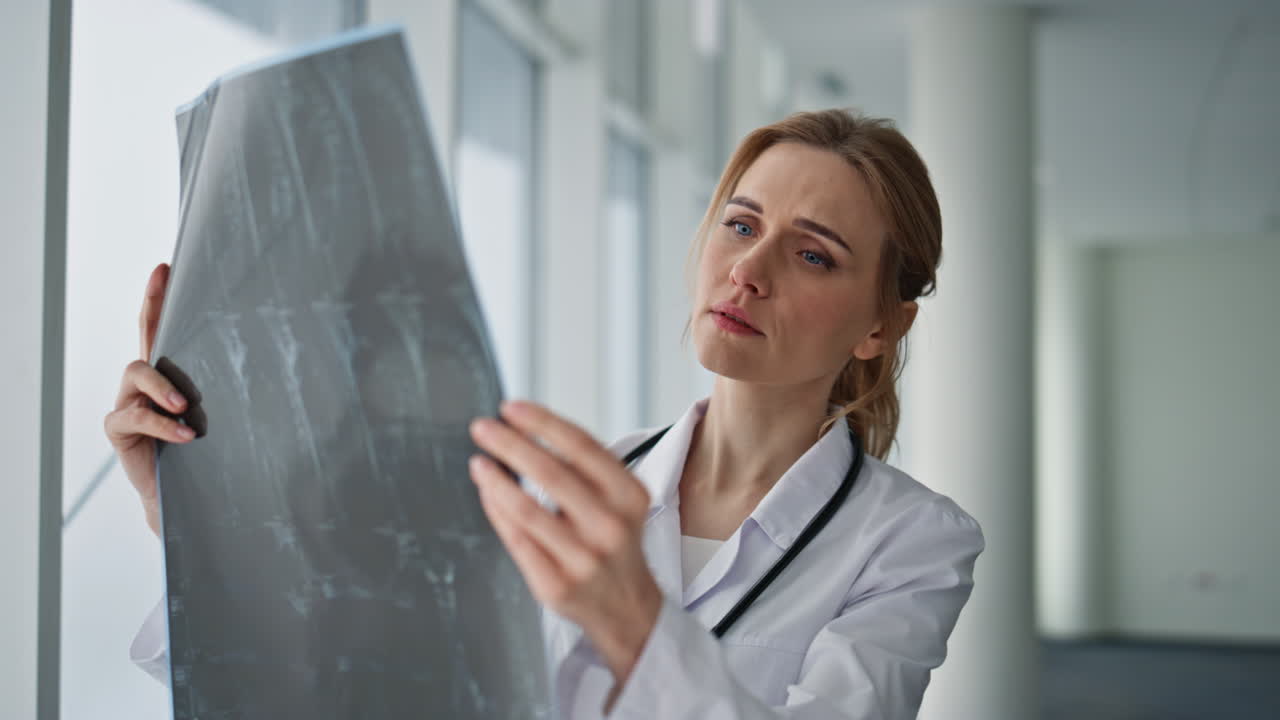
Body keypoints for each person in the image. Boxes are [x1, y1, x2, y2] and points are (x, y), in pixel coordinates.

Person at [108, 109, 984, 719]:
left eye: (814, 256)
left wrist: (634, 624)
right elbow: (357, 681)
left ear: (882, 324)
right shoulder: (574, 481)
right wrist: (189, 512)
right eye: (740, 225)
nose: (748, 272)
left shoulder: (912, 544)